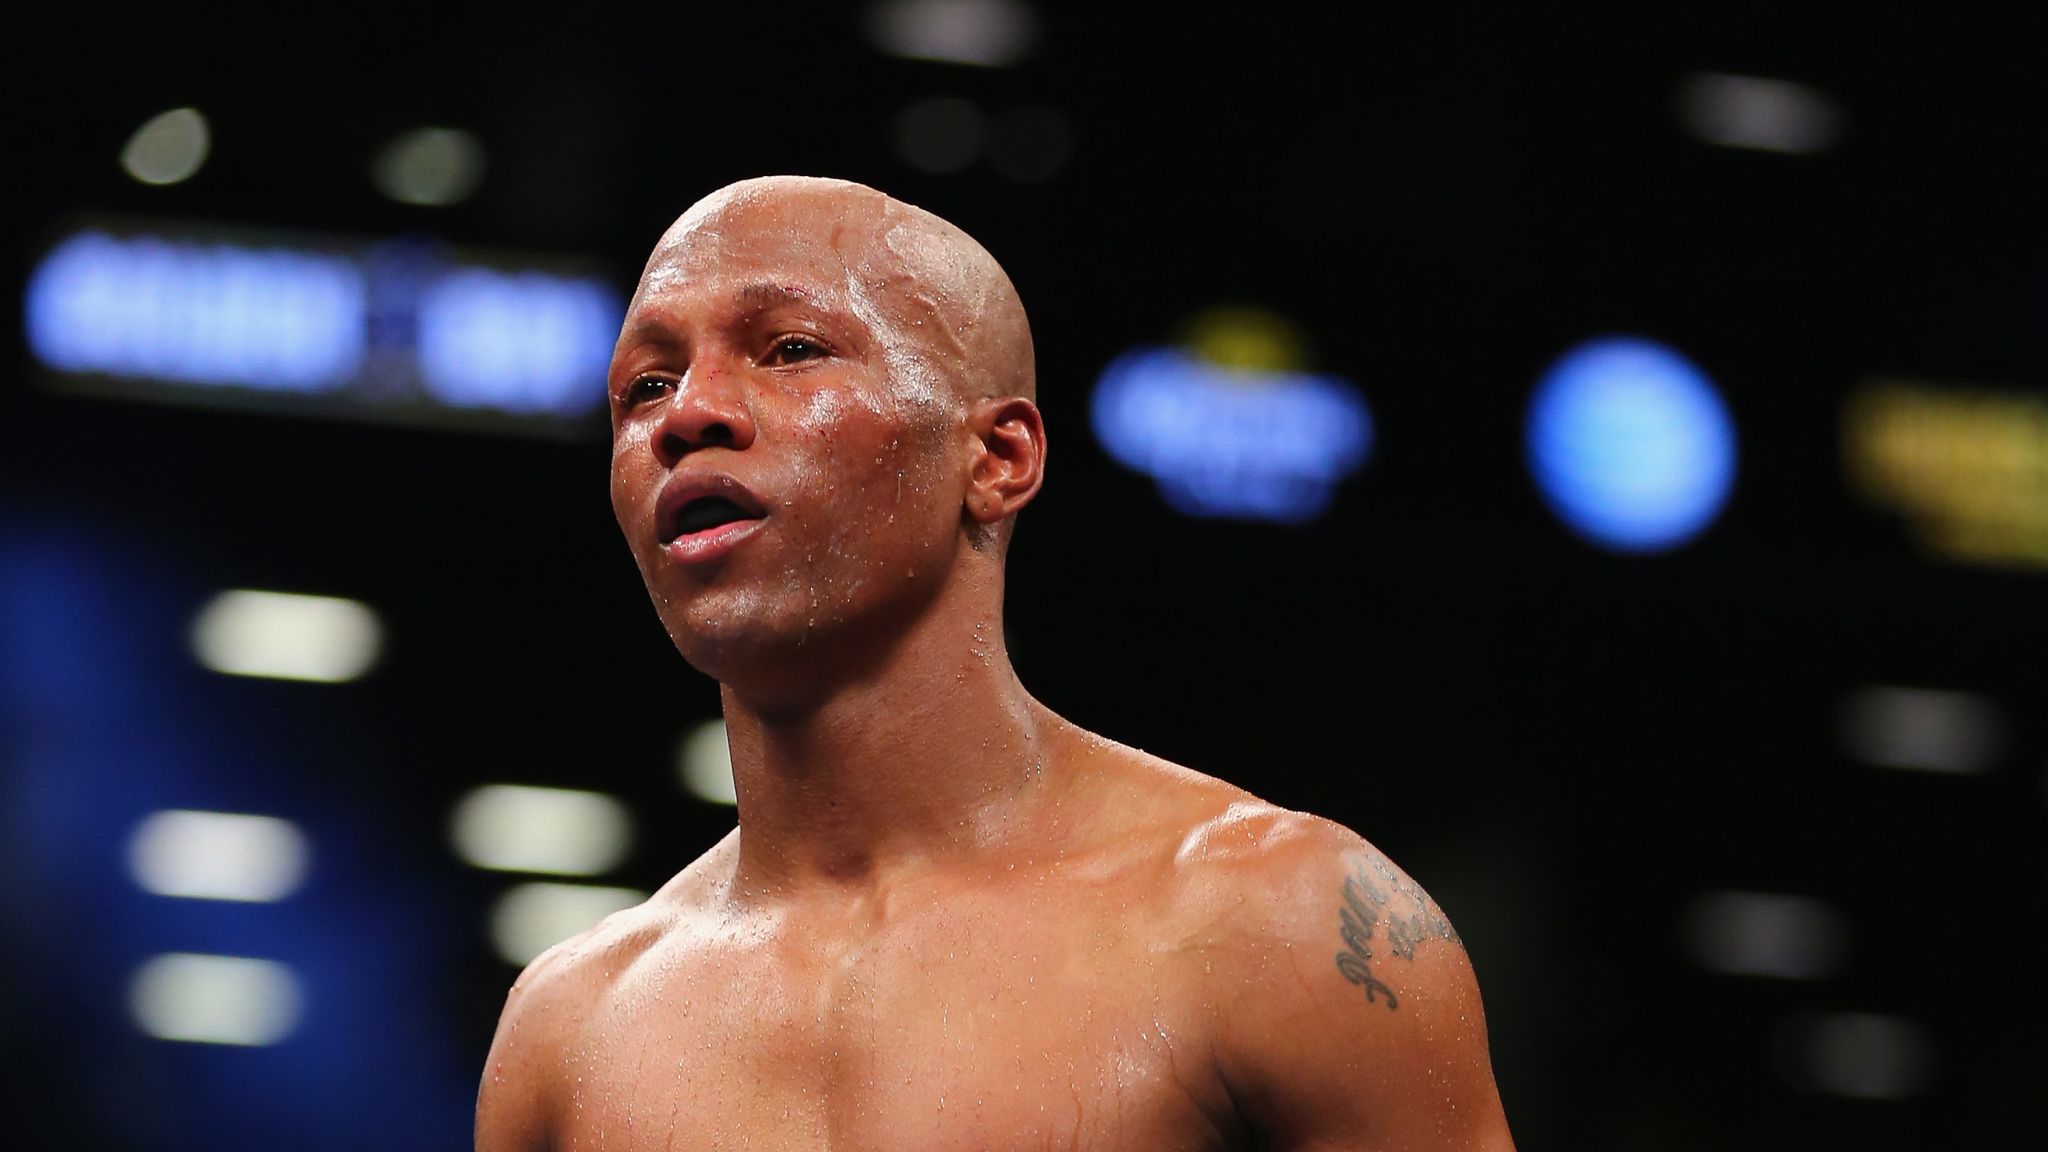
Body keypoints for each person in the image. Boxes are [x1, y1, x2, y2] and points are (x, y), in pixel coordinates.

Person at [475, 175, 1516, 1151]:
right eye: (644, 385)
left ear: (997, 459)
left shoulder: (1281, 925)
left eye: (789, 350)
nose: (687, 413)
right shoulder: (568, 1034)